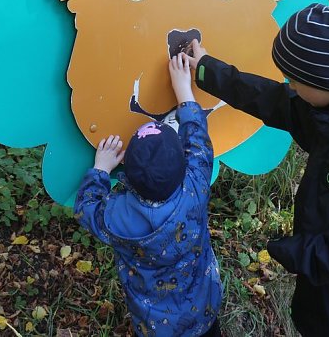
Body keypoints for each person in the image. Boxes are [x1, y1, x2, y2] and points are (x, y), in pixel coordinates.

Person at [187, 2, 329, 337]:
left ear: (324, 81)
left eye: (295, 80)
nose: (291, 86)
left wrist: (306, 253)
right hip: (328, 287)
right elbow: (270, 98)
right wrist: (208, 70)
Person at [74, 53, 223, 337]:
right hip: (203, 311)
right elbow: (198, 140)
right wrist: (183, 90)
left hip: (154, 325)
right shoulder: (195, 187)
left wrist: (101, 169)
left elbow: (86, 208)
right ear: (182, 162)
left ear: (128, 173)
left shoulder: (117, 217)